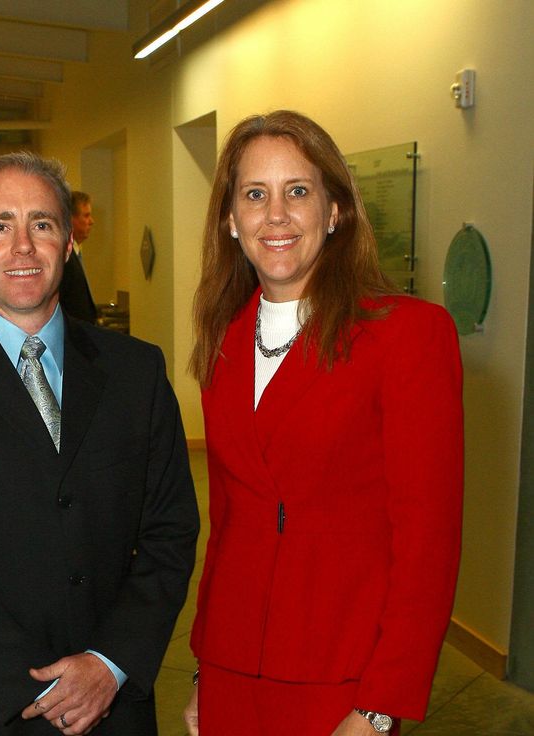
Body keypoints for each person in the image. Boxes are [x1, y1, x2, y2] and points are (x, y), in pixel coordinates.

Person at [0, 152, 199, 735]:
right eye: (0, 226)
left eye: (42, 224)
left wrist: (109, 664)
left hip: (117, 706)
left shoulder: (136, 372)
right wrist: (45, 690)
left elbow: (170, 531)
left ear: (68, 243)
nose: (23, 246)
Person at [183, 110, 463, 735]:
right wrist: (204, 668)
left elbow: (428, 542)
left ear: (335, 210)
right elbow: (227, 524)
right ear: (230, 219)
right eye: (255, 195)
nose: (275, 216)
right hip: (232, 670)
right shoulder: (223, 343)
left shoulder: (406, 335)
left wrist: (380, 705)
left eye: (298, 192)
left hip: (342, 680)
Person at [58, 191, 98, 323]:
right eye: (86, 215)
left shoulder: (76, 252)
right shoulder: (64, 257)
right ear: (70, 219)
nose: (91, 221)